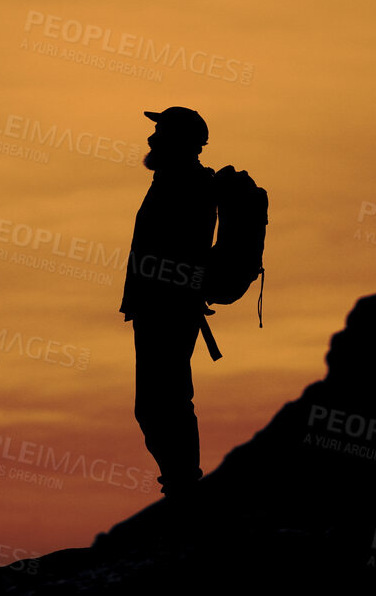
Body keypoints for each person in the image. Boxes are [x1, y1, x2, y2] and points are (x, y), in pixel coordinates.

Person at [120, 106, 218, 498]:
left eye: (160, 132)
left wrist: (166, 295)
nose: (151, 138)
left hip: (168, 308)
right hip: (159, 306)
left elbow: (181, 250)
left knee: (165, 402)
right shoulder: (174, 181)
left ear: (178, 141)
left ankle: (183, 487)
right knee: (160, 402)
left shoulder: (186, 183)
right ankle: (180, 484)